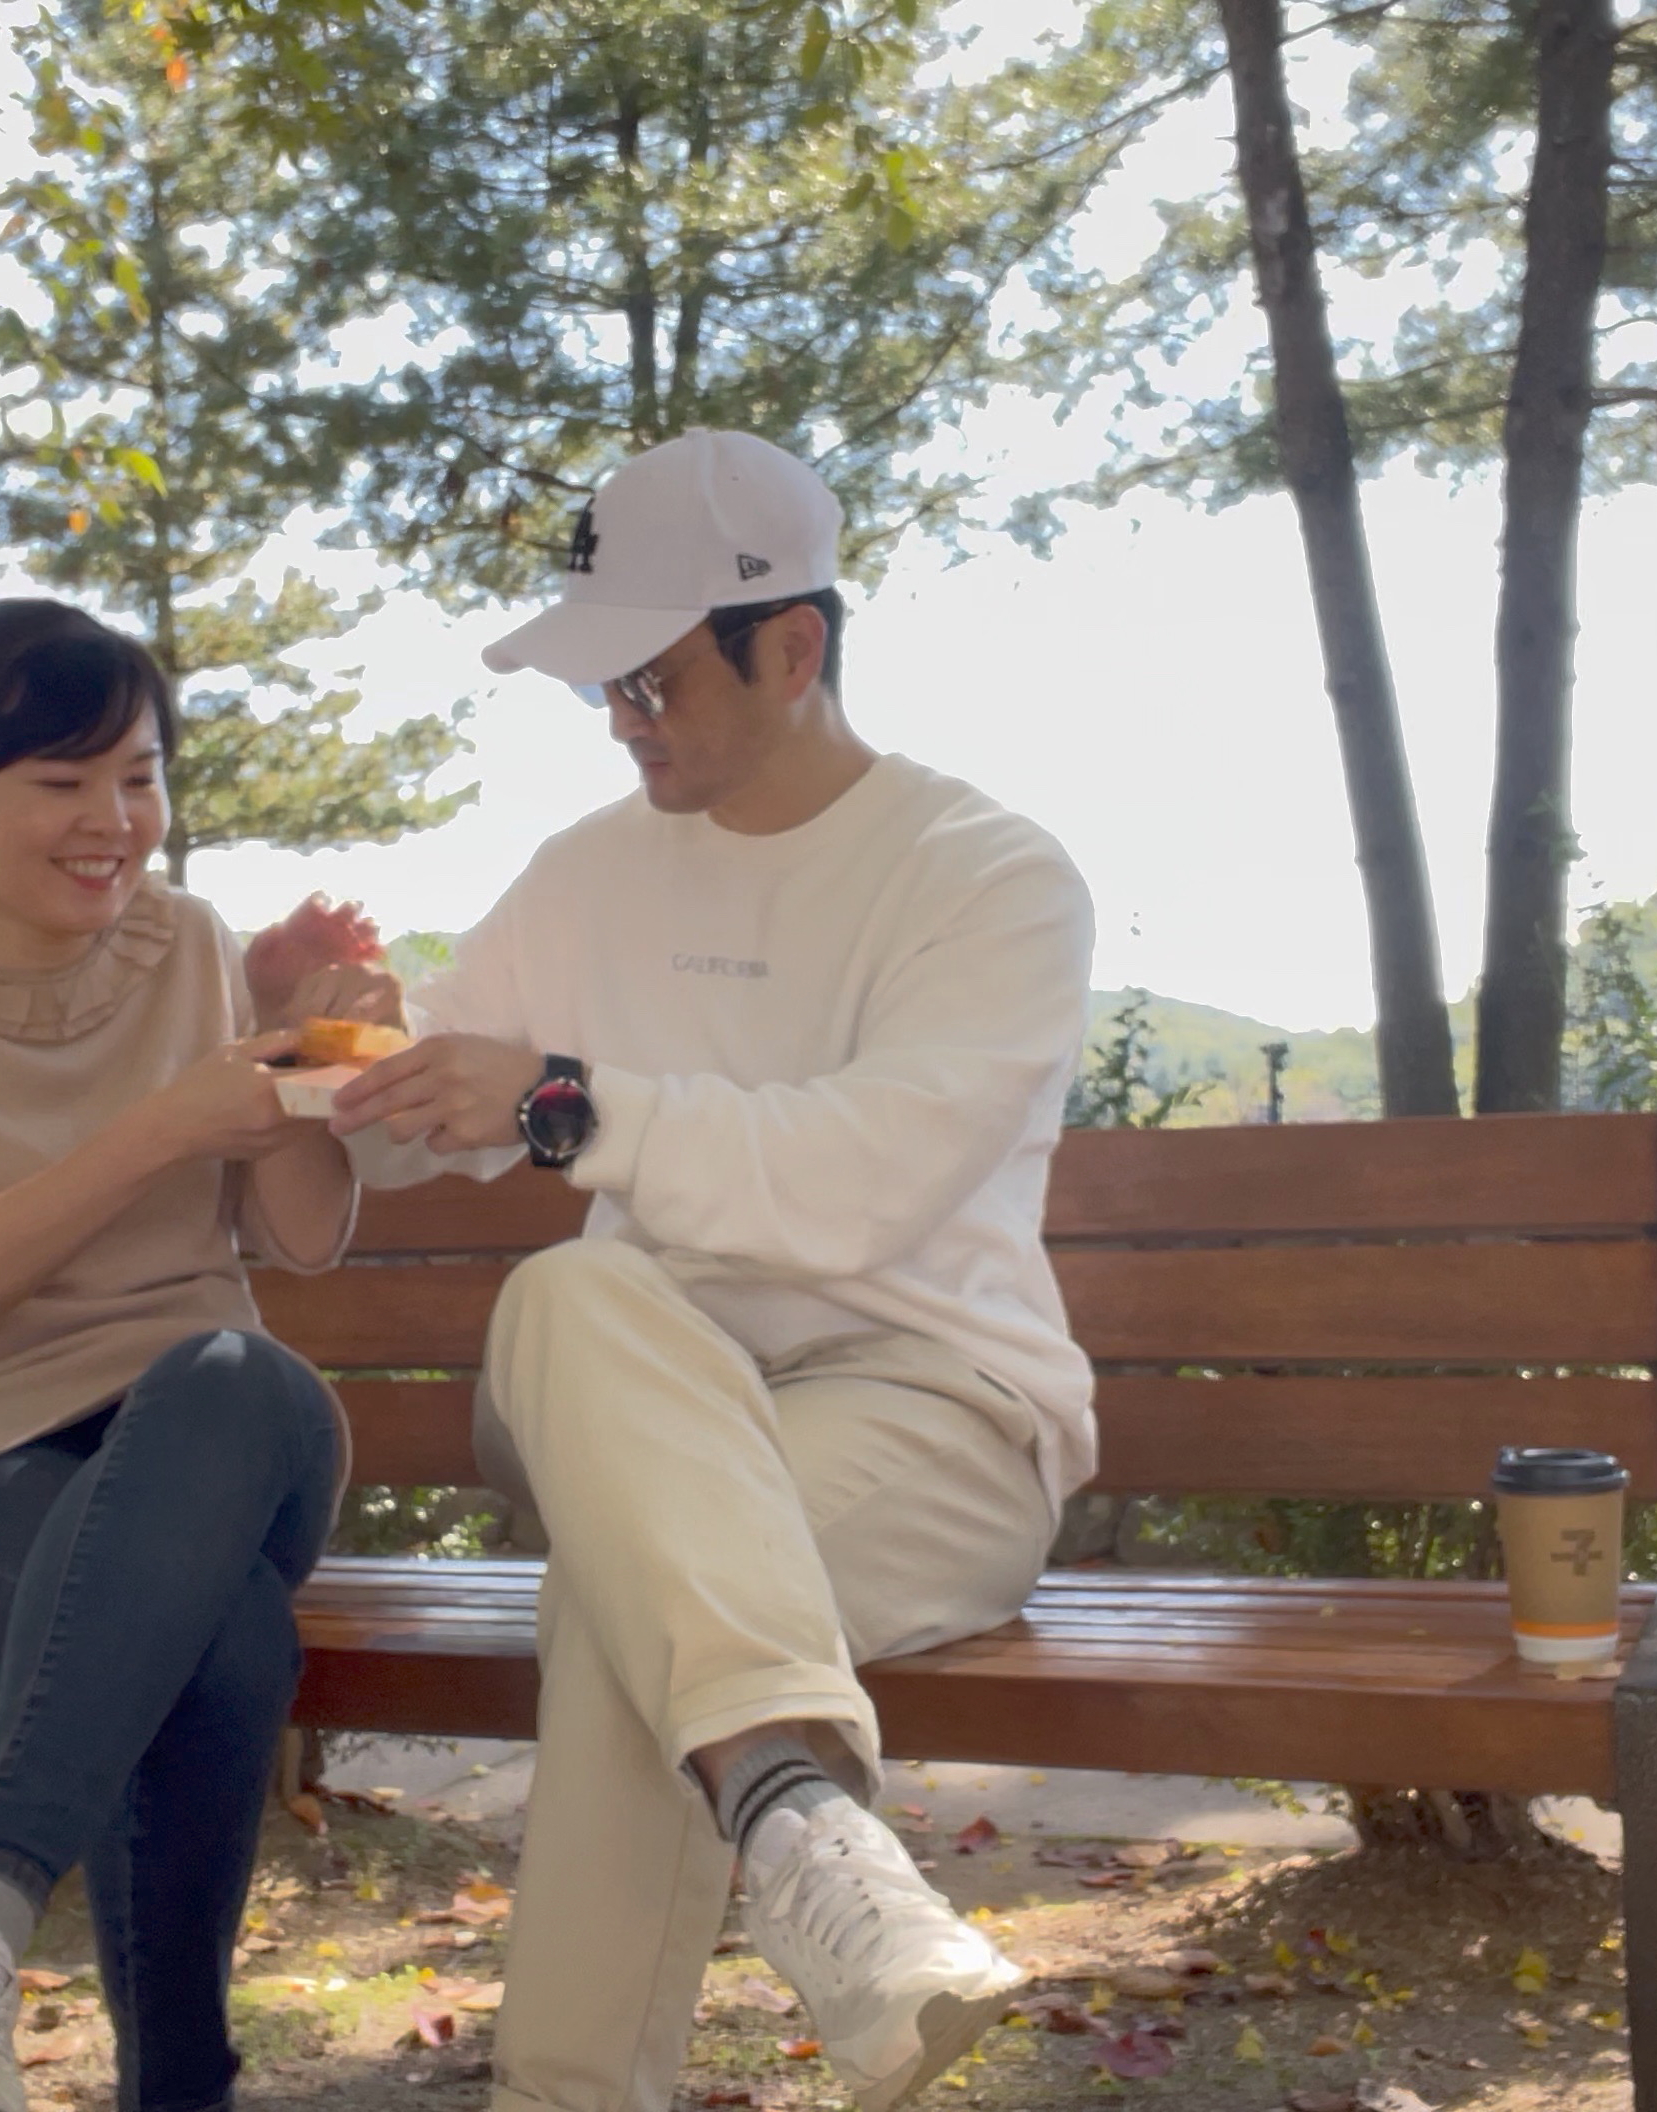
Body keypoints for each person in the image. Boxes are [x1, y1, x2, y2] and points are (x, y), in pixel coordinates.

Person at [320, 430, 1096, 2112]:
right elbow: (418, 1121)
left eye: (652, 680)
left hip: (932, 1413)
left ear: (795, 647)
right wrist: (336, 1043)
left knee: (627, 1606)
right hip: (631, 1396)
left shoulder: (987, 876)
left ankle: (582, 2074)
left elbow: (858, 1185)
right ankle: (808, 1829)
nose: (622, 721)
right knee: (573, 1294)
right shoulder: (589, 872)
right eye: (601, 686)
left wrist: (561, 1105)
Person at [0, 599, 392, 2112]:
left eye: (140, 776)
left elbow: (304, 1237)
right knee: (219, 1641)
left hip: (217, 1447)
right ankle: (176, 2089)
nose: (113, 822)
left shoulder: (195, 948)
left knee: (236, 1374)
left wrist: (305, 1052)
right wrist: (162, 1127)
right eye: (62, 783)